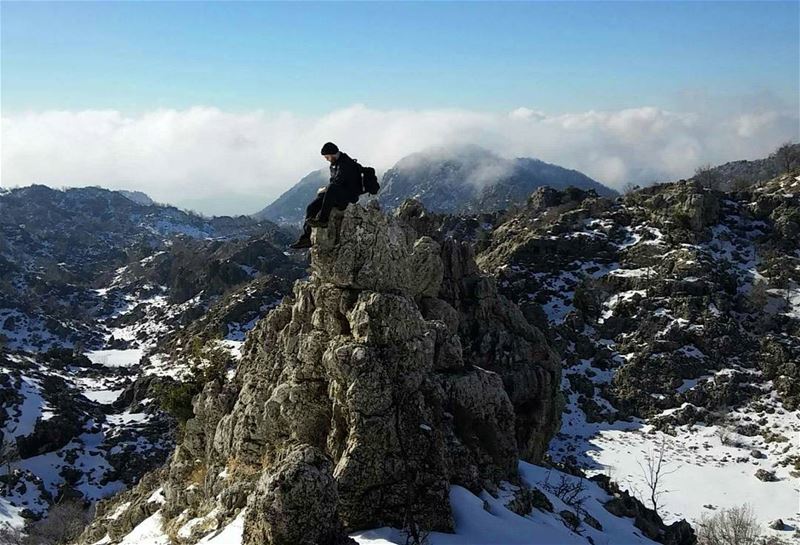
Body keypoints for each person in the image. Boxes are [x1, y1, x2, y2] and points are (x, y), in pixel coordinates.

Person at [290, 142, 365, 249]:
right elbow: (333, 181)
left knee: (330, 189)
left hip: (349, 197)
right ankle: (306, 238)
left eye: (327, 157)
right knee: (312, 207)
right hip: (337, 194)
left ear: (332, 154)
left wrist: (325, 189)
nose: (326, 159)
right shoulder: (335, 164)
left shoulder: (346, 163)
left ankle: (323, 220)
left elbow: (338, 181)